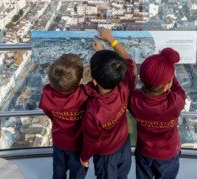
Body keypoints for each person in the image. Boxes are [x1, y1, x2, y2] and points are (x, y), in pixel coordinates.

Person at [80, 28, 136, 179]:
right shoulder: (125, 86)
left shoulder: (94, 110)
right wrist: (111, 40)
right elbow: (128, 59)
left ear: (94, 80)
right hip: (124, 144)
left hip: (106, 155)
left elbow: (91, 141)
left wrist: (84, 158)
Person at [128, 48, 186, 179]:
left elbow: (130, 88)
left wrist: (133, 75)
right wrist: (169, 70)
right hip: (168, 153)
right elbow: (179, 90)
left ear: (142, 79)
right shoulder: (175, 103)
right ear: (167, 86)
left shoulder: (134, 100)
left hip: (144, 151)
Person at [39, 54, 88, 179]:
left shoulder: (47, 92)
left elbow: (48, 112)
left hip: (59, 140)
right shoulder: (85, 94)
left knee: (58, 170)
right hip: (78, 145)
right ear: (80, 80)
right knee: (77, 174)